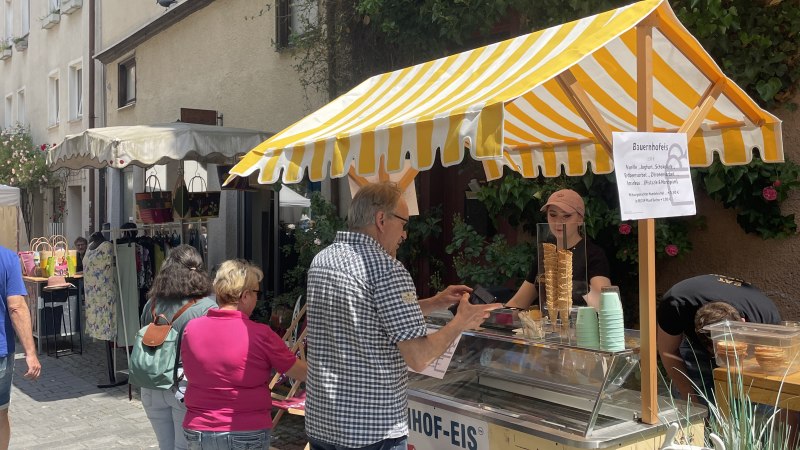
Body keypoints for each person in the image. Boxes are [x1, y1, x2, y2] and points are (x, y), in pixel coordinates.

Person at [304, 181, 501, 450]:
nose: (405, 234)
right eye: (404, 223)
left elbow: (368, 315)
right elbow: (419, 357)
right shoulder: (387, 269)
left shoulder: (323, 260)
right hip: (372, 430)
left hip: (324, 424)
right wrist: (461, 322)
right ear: (381, 219)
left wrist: (435, 302)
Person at [181, 259, 306, 449]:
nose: (258, 298)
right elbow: (297, 371)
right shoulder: (260, 333)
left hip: (199, 426)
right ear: (245, 296)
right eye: (257, 292)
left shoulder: (192, 329)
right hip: (245, 428)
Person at [656, 274, 781, 402]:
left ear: (743, 323)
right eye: (715, 351)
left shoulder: (764, 319)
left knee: (748, 398)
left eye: (726, 348)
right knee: (699, 396)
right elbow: (668, 352)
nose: (719, 356)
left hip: (750, 334)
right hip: (694, 337)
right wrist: (693, 402)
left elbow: (778, 380)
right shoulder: (676, 304)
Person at [140, 245, 216, 450]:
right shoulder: (207, 308)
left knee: (165, 446)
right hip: (184, 387)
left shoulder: (152, 304)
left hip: (151, 385)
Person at [505, 189, 611, 310]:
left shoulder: (593, 254)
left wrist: (577, 287)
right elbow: (518, 303)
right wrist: (493, 315)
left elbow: (604, 305)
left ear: (580, 220)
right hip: (547, 327)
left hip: (582, 327)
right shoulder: (545, 254)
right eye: (553, 214)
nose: (558, 222)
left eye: (566, 216)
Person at [0, 244, 41, 449]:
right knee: (0, 414)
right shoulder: (7, 259)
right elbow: (16, 306)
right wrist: (30, 353)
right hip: (1, 352)